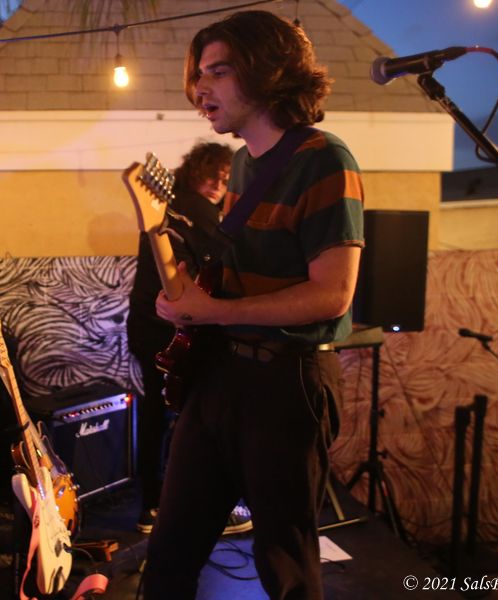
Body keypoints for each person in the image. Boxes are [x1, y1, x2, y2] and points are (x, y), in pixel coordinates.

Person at [143, 11, 364, 600]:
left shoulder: (324, 158)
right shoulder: (242, 162)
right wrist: (188, 296)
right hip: (222, 374)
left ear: (268, 72)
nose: (200, 89)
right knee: (169, 551)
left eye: (218, 72)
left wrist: (212, 311)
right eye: (199, 74)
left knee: (285, 565)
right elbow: (234, 279)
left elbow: (332, 294)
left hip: (287, 382)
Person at [127, 142, 251, 535]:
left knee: (156, 414)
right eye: (212, 175)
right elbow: (229, 262)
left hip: (149, 327)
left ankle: (152, 507)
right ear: (194, 172)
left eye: (225, 179)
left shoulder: (168, 208)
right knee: (199, 417)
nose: (219, 183)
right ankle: (195, 507)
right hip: (171, 329)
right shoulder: (194, 209)